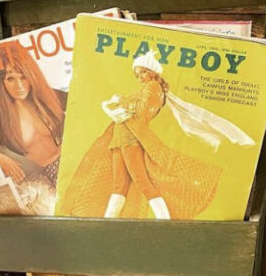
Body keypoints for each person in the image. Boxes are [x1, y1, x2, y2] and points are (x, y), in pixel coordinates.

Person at [56, 51, 245, 220]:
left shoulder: (153, 87)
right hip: (118, 138)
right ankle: (108, 224)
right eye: (137, 74)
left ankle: (165, 222)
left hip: (130, 139)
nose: (140, 77)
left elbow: (143, 111)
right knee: (119, 184)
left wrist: (121, 101)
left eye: (143, 72)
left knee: (142, 182)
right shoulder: (145, 88)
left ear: (152, 72)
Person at [0, 41, 66, 214]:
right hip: (40, 181)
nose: (19, 86)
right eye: (10, 78)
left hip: (67, 164)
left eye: (23, 76)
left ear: (31, 75)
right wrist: (0, 158)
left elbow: (84, 102)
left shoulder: (48, 96)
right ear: (1, 81)